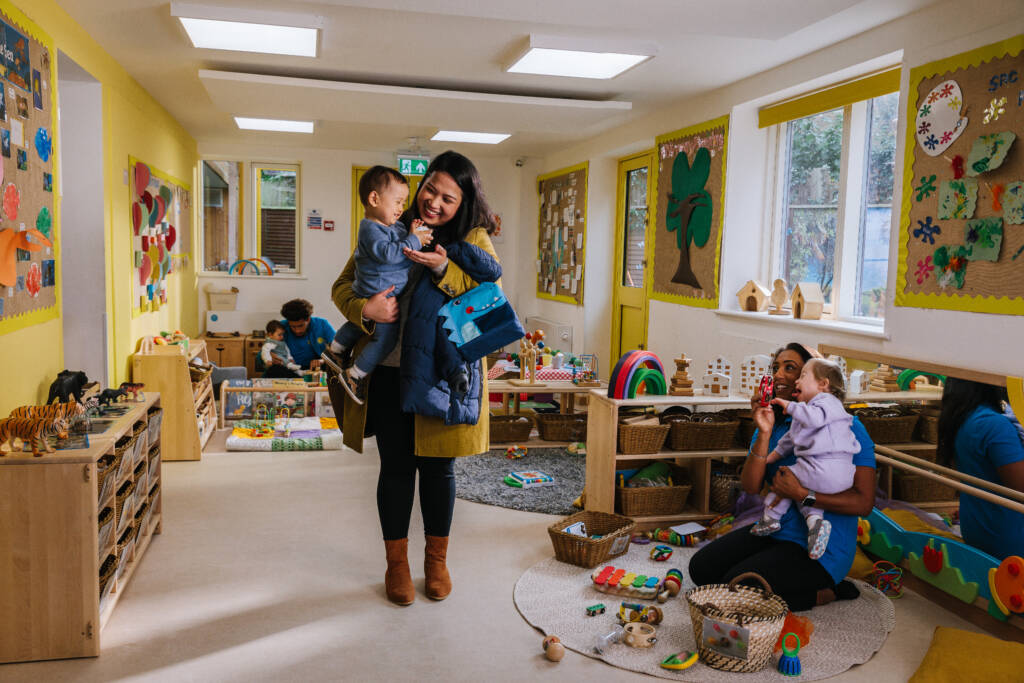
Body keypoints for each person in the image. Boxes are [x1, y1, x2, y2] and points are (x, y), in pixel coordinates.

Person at [329, 151, 500, 606]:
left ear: (462, 202)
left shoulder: (474, 237)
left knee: (439, 469)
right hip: (389, 369)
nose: (434, 203)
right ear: (419, 186)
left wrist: (443, 268)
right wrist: (363, 310)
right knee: (397, 468)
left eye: (448, 197)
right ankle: (397, 565)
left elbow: (490, 300)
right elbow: (343, 285)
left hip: (444, 375)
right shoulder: (389, 227)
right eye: (430, 190)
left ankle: (436, 562)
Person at [689, 343, 876, 611]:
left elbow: (864, 502)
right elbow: (751, 486)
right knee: (702, 569)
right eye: (776, 368)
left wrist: (803, 496)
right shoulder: (774, 422)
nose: (779, 375)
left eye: (792, 369)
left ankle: (823, 593)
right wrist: (763, 433)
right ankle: (787, 581)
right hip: (777, 532)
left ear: (819, 382)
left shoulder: (846, 426)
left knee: (738, 589)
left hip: (822, 549)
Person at [752, 358, 858, 561]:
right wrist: (768, 459)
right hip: (831, 475)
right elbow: (788, 441)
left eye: (803, 376)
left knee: (786, 478)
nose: (797, 382)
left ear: (823, 384)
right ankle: (815, 523)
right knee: (801, 492)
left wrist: (789, 406)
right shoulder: (808, 411)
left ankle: (771, 518)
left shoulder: (827, 403)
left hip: (829, 468)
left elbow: (814, 418)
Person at [936, 378, 1024, 560]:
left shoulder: (964, 417)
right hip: (1007, 535)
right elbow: (1020, 488)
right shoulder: (994, 425)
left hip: (977, 527)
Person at [265, 299, 334, 377]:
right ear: (288, 321)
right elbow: (261, 355)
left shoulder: (322, 325)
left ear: (308, 319)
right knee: (274, 370)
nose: (297, 331)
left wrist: (322, 360)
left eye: (301, 326)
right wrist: (269, 356)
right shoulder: (281, 327)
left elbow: (337, 352)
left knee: (331, 367)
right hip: (290, 370)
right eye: (293, 326)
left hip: (314, 370)